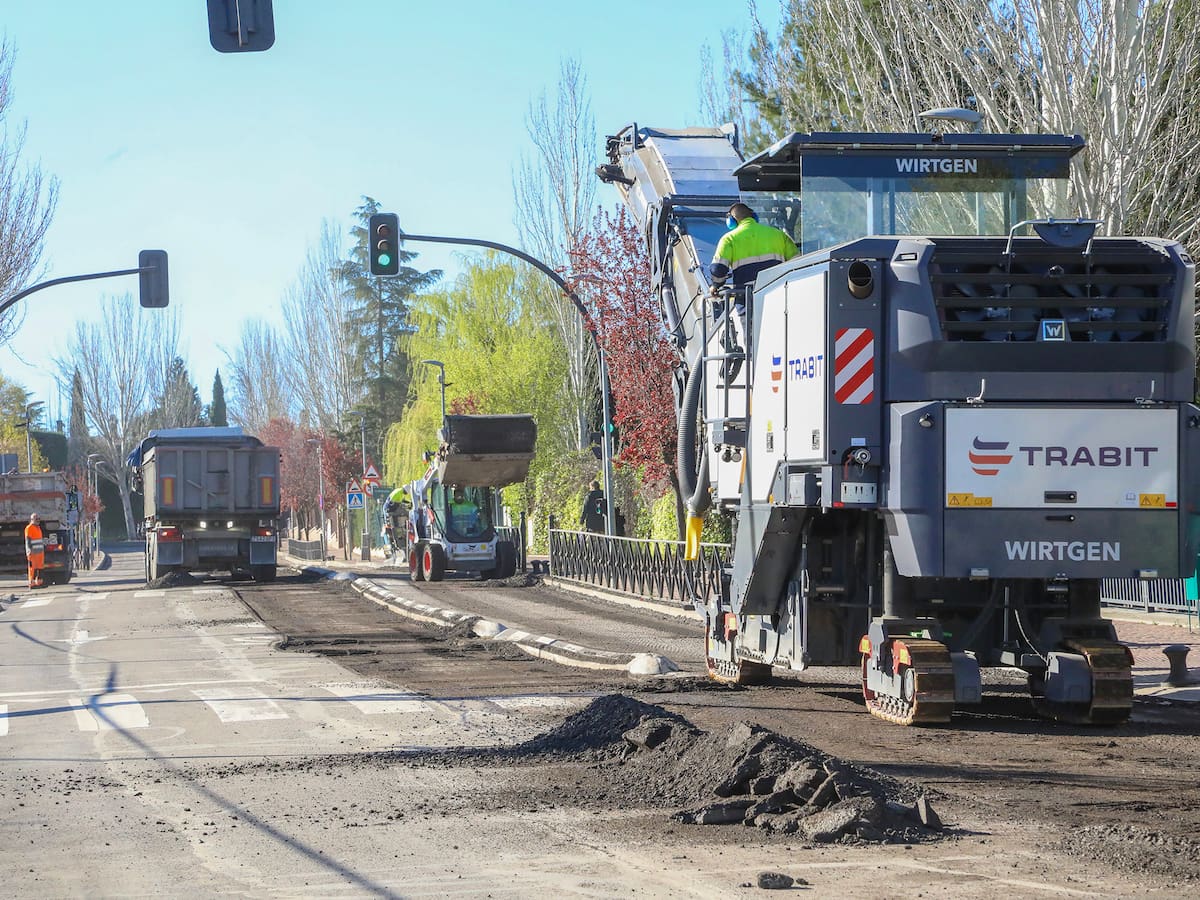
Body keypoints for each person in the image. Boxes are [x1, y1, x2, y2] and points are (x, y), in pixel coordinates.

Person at [708, 202, 798, 317]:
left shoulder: (729, 239)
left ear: (731, 221)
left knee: (753, 334)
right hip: (779, 297)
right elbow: (797, 262)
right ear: (754, 216)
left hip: (748, 301)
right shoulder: (779, 235)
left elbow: (718, 269)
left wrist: (716, 285)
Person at [24, 512, 45, 589]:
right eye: (36, 519)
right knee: (32, 569)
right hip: (32, 553)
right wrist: (29, 550)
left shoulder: (38, 528)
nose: (38, 521)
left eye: (38, 519)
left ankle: (39, 583)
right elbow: (28, 540)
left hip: (39, 553)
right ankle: (32, 584)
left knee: (40, 568)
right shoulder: (29, 528)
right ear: (32, 519)